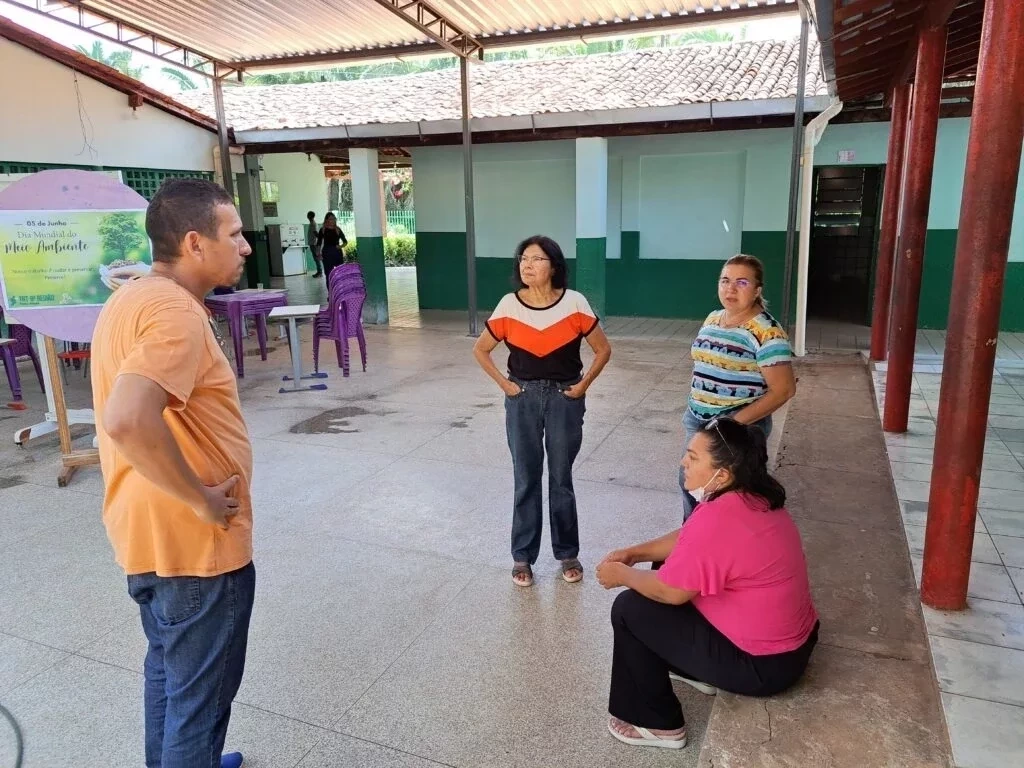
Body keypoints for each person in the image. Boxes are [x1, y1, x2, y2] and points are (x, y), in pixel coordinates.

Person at [91, 178, 255, 768]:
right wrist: (202, 501)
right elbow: (129, 418)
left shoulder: (131, 298)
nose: (244, 247)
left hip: (144, 532)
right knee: (200, 701)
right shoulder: (174, 313)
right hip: (194, 546)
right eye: (233, 234)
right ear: (194, 242)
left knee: (167, 670)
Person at [597, 417, 819, 750]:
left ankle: (656, 723)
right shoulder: (747, 496)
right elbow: (688, 539)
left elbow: (671, 593)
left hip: (764, 666)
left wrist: (621, 575)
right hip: (788, 651)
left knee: (631, 608)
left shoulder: (721, 517)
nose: (683, 462)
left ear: (723, 473)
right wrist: (635, 553)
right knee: (662, 566)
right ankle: (696, 671)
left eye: (693, 457)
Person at [473, 235, 612, 587]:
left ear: (554, 266)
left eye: (536, 259)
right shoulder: (508, 305)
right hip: (523, 398)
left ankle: (567, 553)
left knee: (561, 478)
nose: (527, 265)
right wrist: (507, 387)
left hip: (565, 398)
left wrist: (581, 388)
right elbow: (481, 350)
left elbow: (603, 350)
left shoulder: (576, 303)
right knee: (526, 478)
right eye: (523, 259)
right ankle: (522, 556)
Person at [681, 254, 796, 519]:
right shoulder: (713, 318)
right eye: (725, 280)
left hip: (737, 425)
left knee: (724, 495)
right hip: (697, 418)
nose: (730, 288)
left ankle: (716, 549)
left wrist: (731, 424)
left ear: (757, 291)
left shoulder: (767, 333)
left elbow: (784, 390)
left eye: (741, 282)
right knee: (691, 484)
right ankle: (693, 546)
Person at [316, 212, 348, 289]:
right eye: (331, 219)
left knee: (340, 273)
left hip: (337, 253)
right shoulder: (323, 230)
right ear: (327, 220)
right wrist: (318, 254)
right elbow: (319, 243)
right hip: (327, 253)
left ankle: (340, 292)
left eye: (334, 219)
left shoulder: (338, 229)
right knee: (328, 274)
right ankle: (330, 293)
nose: (333, 220)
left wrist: (340, 247)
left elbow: (345, 242)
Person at [307, 210, 322, 277]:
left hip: (314, 244)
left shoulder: (313, 224)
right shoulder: (311, 223)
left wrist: (320, 240)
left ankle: (320, 272)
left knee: (317, 258)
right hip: (312, 243)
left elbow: (316, 233)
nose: (307, 216)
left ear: (310, 216)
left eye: (308, 215)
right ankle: (319, 272)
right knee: (316, 258)